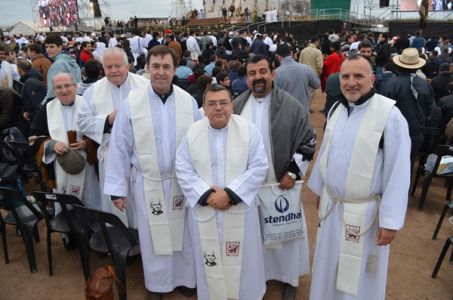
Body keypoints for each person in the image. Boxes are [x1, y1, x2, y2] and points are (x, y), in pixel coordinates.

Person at [307, 54, 411, 300]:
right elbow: (327, 152)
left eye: (358, 76)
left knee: (358, 280)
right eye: (345, 76)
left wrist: (390, 220)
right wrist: (321, 189)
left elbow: (399, 170)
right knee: (327, 269)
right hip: (332, 209)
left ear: (372, 79)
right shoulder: (336, 109)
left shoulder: (390, 115)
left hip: (365, 217)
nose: (351, 82)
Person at [103, 45, 201, 300]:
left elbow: (198, 142)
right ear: (147, 68)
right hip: (148, 183)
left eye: (166, 67)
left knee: (184, 235)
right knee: (153, 237)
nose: (160, 72)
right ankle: (157, 285)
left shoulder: (187, 100)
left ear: (174, 69)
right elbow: (120, 146)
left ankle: (184, 278)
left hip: (181, 182)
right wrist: (117, 188)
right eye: (155, 67)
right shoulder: (132, 102)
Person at [234, 54, 316, 299]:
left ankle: (289, 279)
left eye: (262, 71)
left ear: (273, 74)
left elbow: (309, 142)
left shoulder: (291, 106)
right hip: (249, 189)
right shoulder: (237, 105)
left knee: (286, 238)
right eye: (252, 73)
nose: (258, 77)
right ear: (247, 78)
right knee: (254, 237)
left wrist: (292, 172)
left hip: (281, 185)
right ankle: (258, 278)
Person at [176, 84, 268, 300]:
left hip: (239, 209)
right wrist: (207, 195)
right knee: (211, 263)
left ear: (232, 105)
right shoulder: (193, 133)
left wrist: (230, 194)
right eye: (212, 103)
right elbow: (182, 167)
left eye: (223, 103)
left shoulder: (248, 130)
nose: (218, 108)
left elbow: (259, 166)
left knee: (243, 264)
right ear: (204, 108)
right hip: (206, 210)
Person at [77, 48, 148, 226]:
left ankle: (141, 244)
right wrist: (108, 120)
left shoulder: (145, 86)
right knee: (115, 205)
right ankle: (118, 243)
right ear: (103, 68)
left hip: (141, 156)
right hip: (109, 157)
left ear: (127, 65)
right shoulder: (93, 91)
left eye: (118, 66)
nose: (114, 70)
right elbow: (83, 122)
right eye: (109, 67)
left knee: (140, 204)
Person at [30, 73, 101, 210]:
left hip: (89, 167)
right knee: (67, 210)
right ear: (54, 90)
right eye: (59, 87)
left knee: (92, 206)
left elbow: (103, 134)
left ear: (75, 86)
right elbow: (33, 139)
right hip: (60, 167)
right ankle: (70, 231)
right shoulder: (47, 109)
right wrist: (51, 144)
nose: (63, 90)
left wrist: (88, 144)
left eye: (67, 85)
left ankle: (94, 230)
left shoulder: (89, 105)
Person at [274, 43, 320, 111]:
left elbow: (272, 96)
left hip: (285, 112)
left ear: (278, 56)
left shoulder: (276, 73)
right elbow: (317, 84)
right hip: (303, 111)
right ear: (291, 53)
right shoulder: (305, 68)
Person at [42, 34, 81, 104]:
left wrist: (42, 107)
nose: (48, 49)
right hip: (75, 100)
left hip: (63, 102)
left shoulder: (58, 65)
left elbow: (52, 92)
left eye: (51, 47)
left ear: (60, 47)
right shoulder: (69, 60)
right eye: (46, 47)